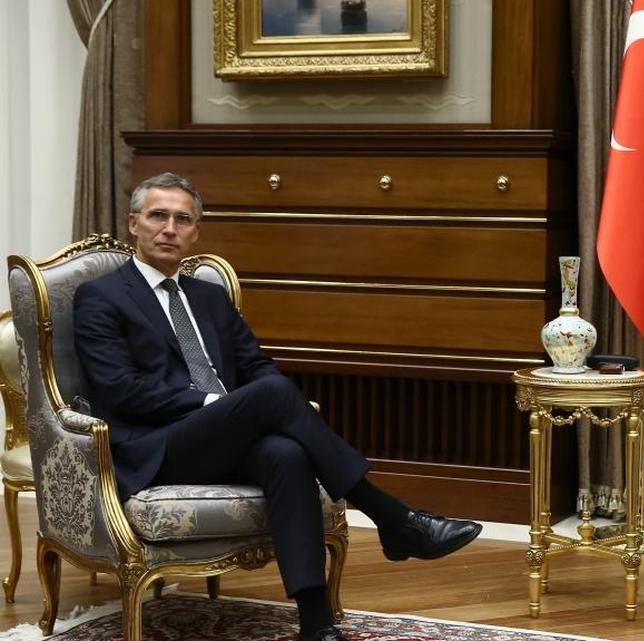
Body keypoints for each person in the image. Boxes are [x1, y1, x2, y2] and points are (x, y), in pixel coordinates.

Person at [73, 172, 483, 641]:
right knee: (270, 396)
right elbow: (122, 390)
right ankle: (392, 518)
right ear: (134, 224)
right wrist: (219, 403)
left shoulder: (210, 297)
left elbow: (258, 366)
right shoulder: (101, 297)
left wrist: (247, 406)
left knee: (285, 453)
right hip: (157, 448)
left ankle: (315, 623)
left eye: (183, 219)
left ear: (196, 232)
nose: (170, 228)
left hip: (223, 438)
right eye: (158, 216)